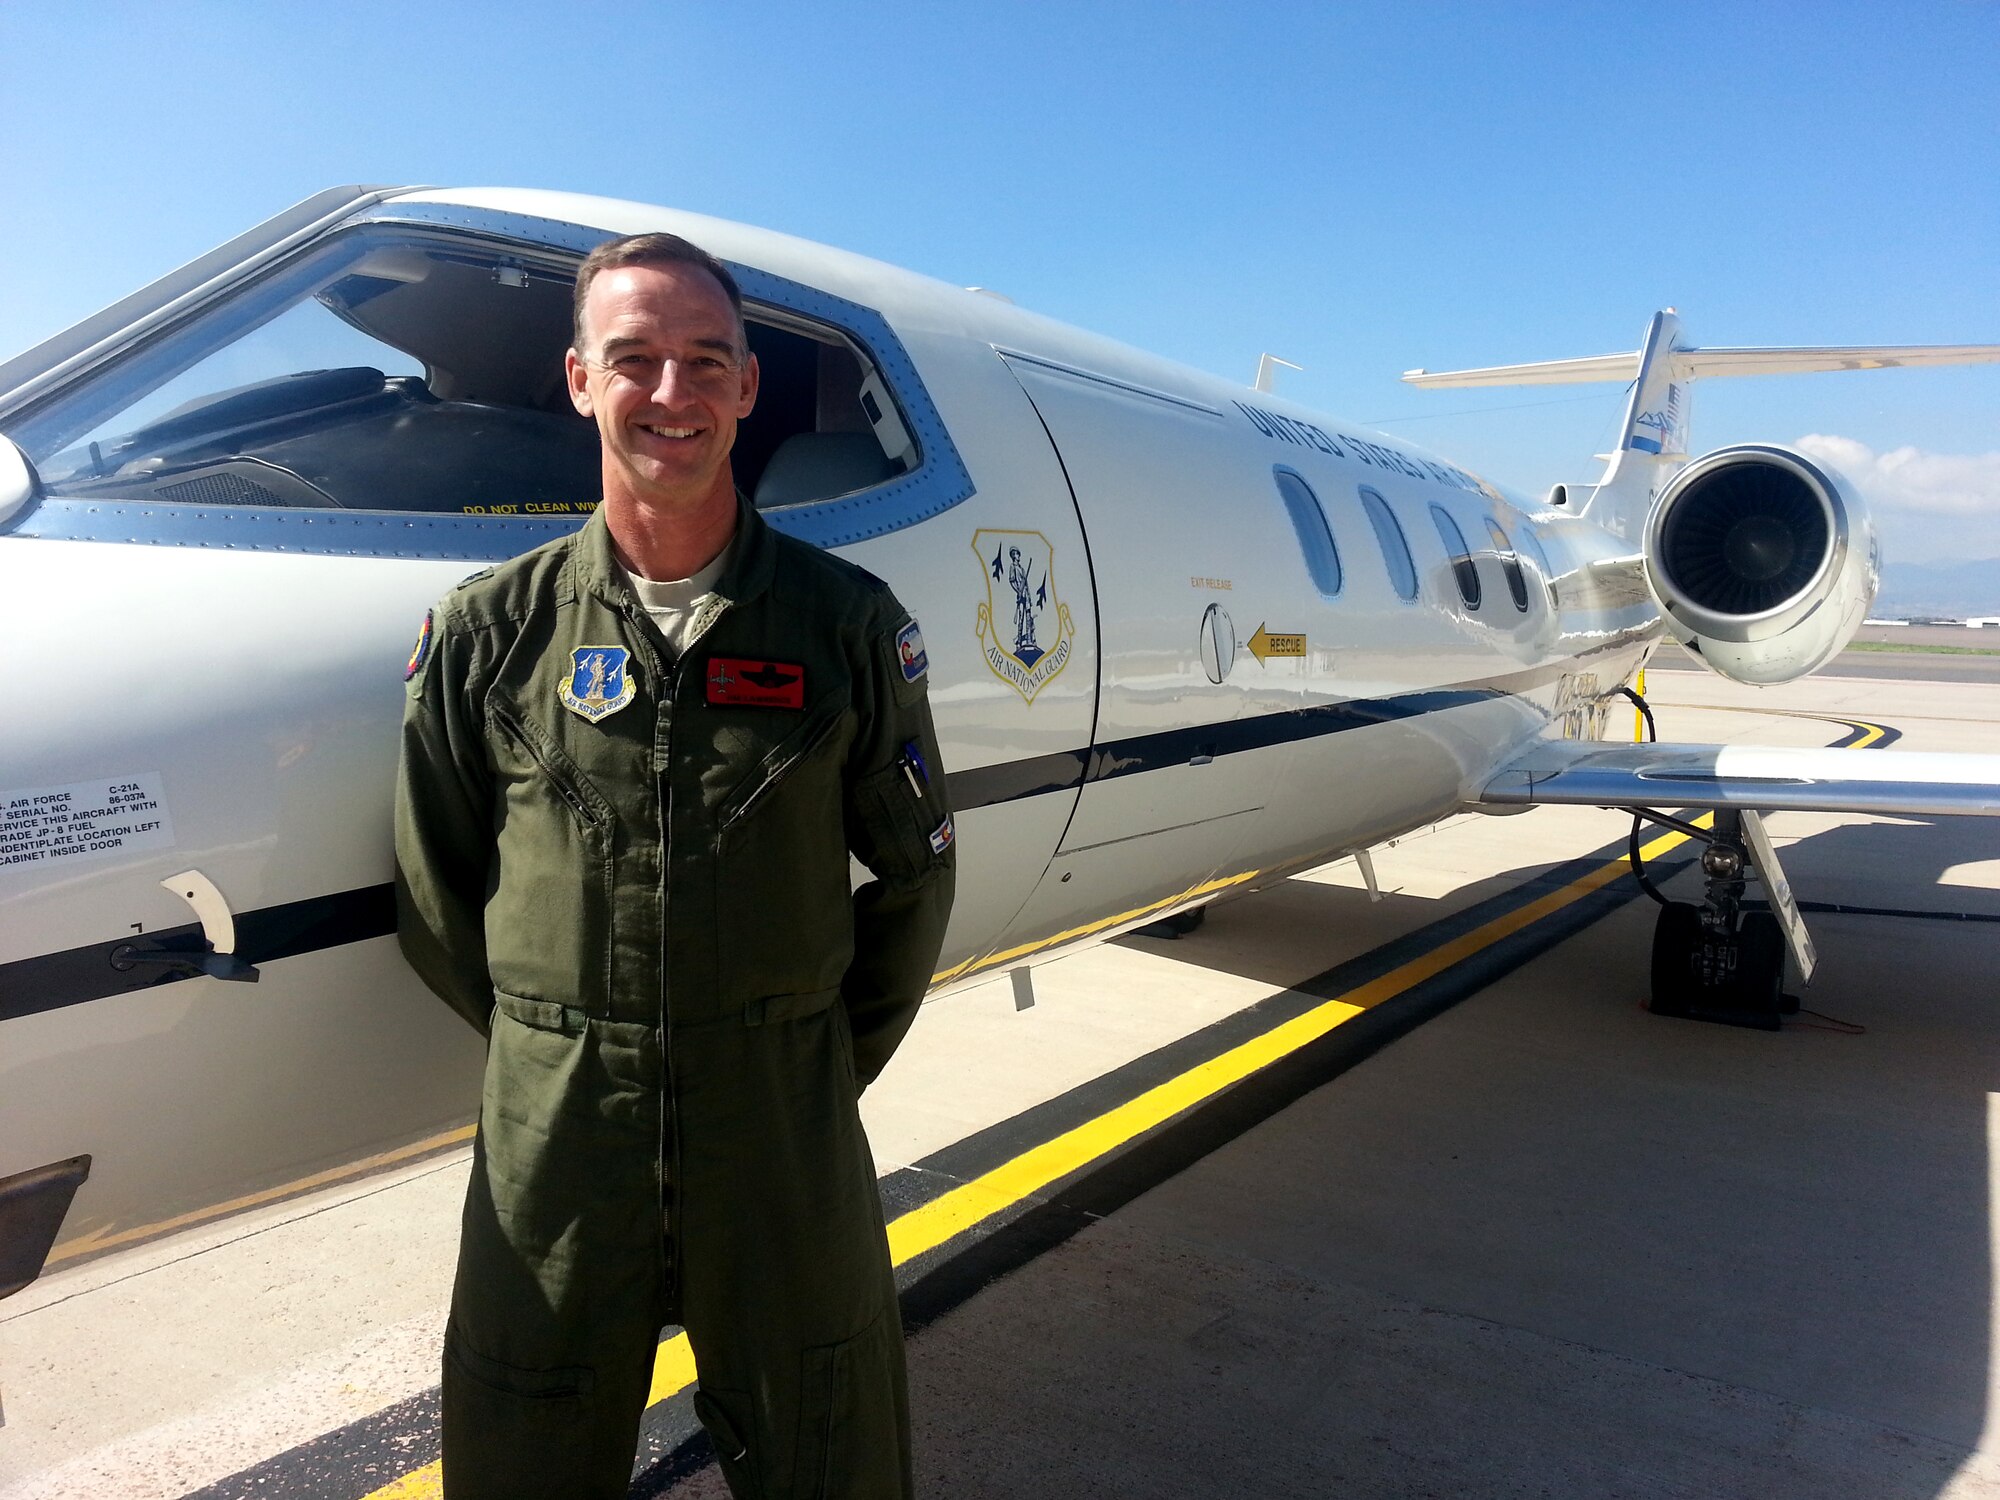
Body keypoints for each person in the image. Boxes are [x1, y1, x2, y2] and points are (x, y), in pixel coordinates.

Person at [395, 231, 955, 1500]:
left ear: (747, 389)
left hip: (778, 1124)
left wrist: (800, 1060)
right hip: (557, 1132)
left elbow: (914, 884)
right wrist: (559, 1041)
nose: (670, 394)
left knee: (829, 1440)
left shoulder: (846, 627)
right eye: (633, 359)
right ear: (580, 380)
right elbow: (435, 890)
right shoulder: (493, 631)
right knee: (521, 1440)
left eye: (705, 361)